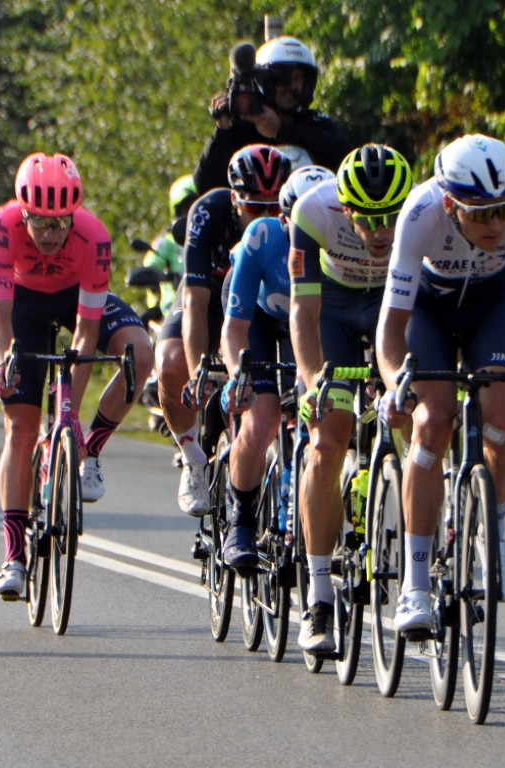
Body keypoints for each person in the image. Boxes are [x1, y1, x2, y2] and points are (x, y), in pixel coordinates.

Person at [374, 134, 505, 635]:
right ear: (450, 204)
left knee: (503, 423)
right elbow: (390, 329)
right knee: (431, 423)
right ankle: (415, 586)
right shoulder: (420, 213)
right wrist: (396, 382)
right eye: (481, 214)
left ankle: (495, 531)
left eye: (503, 210)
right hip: (429, 310)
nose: (497, 224)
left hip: (490, 306)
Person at [0, 152, 153, 600]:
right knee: (20, 429)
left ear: (74, 215)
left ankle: (91, 450)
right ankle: (14, 557)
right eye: (39, 221)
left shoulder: (93, 236)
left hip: (76, 300)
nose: (49, 234)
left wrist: (70, 415)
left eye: (60, 223)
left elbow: (86, 330)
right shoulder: (2, 226)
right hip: (23, 303)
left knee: (140, 353)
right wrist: (3, 361)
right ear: (23, 212)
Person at [288, 144, 414, 652]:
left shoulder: (420, 211)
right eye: (369, 220)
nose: (382, 233)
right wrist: (312, 377)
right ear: (345, 209)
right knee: (327, 440)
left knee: (420, 413)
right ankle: (318, 598)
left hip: (393, 305)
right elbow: (303, 314)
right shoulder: (312, 212)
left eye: (391, 219)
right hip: (334, 309)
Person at [155, 144, 292, 517]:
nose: (265, 216)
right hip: (210, 298)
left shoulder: (292, 219)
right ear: (235, 199)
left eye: (273, 207)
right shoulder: (209, 211)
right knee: (169, 362)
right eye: (254, 207)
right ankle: (192, 456)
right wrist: (199, 368)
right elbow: (195, 303)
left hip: (260, 305)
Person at [219, 164, 334, 571]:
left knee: (324, 410)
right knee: (263, 417)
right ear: (282, 217)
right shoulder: (262, 236)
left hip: (313, 324)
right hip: (260, 319)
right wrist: (239, 374)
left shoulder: (341, 241)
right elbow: (234, 328)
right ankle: (241, 521)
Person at [192, 36, 351, 194]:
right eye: (282, 78)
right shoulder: (242, 129)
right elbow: (206, 186)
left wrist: (281, 130)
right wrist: (223, 130)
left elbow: (343, 156)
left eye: (297, 78)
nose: (290, 86)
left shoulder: (316, 123)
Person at [140, 174, 197, 321]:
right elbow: (151, 263)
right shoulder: (167, 241)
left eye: (197, 206)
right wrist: (157, 274)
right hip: (172, 311)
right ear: (177, 210)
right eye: (187, 208)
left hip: (206, 306)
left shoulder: (214, 237)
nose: (192, 213)